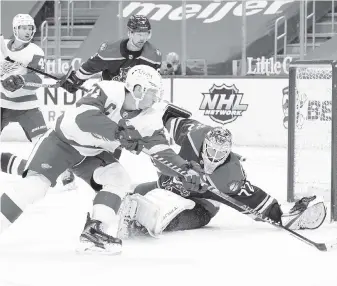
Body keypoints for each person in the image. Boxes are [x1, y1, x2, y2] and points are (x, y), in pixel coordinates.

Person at [0, 65, 203, 255]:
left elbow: (161, 152)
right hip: (61, 142)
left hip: (93, 153)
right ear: (138, 89)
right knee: (34, 186)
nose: (156, 98)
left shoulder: (149, 118)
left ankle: (94, 231)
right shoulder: (109, 90)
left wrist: (184, 170)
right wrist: (118, 132)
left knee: (118, 179)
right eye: (152, 92)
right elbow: (84, 118)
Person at [120, 115, 327, 237]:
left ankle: (147, 223)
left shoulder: (230, 176)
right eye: (212, 151)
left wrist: (285, 218)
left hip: (202, 206)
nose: (215, 158)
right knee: (130, 194)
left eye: (222, 154)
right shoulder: (195, 136)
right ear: (205, 145)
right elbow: (172, 121)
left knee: (183, 218)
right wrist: (147, 118)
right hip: (168, 187)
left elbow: (256, 202)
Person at [0, 14, 75, 190]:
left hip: (27, 106)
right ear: (15, 29)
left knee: (44, 143)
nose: (28, 31)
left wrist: (21, 80)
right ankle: (24, 169)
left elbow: (38, 80)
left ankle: (65, 174)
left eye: (30, 28)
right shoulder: (2, 47)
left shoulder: (35, 51)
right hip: (2, 104)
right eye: (24, 28)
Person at [61, 15, 162, 94]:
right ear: (130, 33)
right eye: (139, 34)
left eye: (146, 34)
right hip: (109, 96)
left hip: (135, 101)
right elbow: (89, 68)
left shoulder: (153, 56)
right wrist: (75, 80)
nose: (142, 38)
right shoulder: (109, 50)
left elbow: (154, 84)